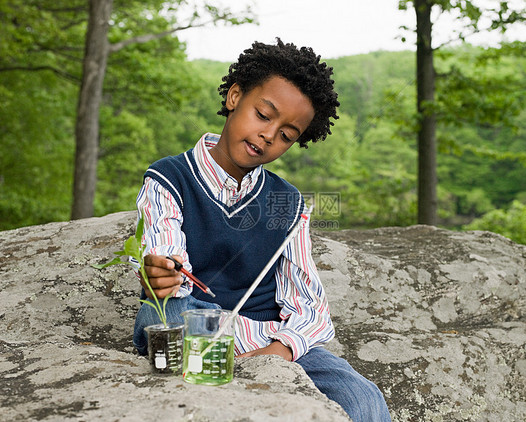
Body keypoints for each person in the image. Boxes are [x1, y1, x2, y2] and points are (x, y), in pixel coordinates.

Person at [132, 38, 391, 422]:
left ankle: (227, 362)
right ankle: (216, 365)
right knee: (168, 318)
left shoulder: (285, 203)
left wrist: (281, 351)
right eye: (264, 115)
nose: (270, 135)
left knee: (363, 397)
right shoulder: (169, 178)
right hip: (190, 319)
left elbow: (310, 309)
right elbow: (167, 262)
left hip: (269, 336)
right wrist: (160, 273)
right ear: (235, 96)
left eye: (287, 135)